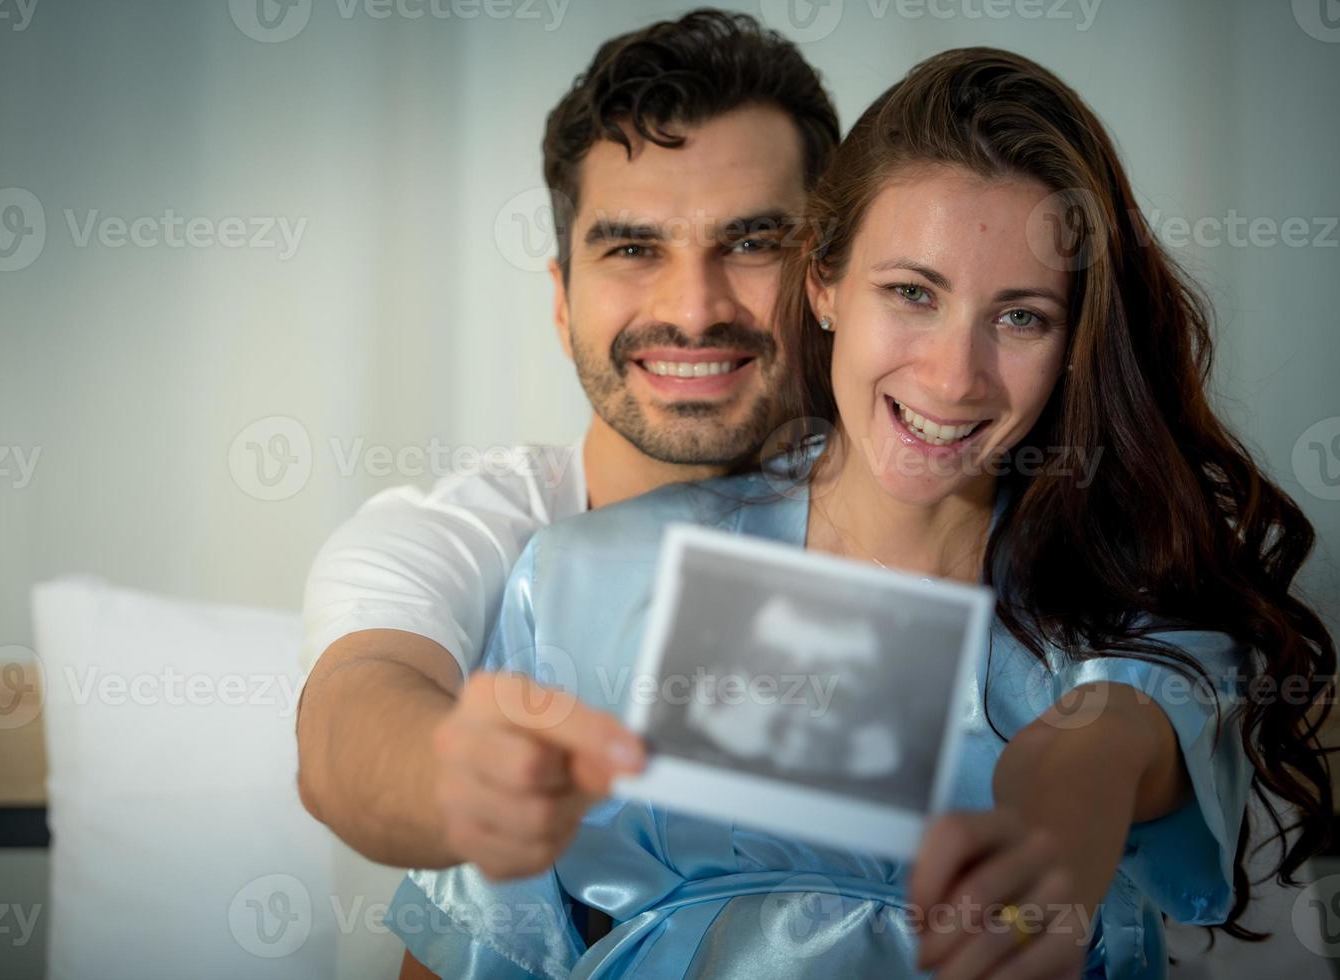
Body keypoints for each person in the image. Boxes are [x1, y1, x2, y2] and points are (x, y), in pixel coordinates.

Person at [386, 47, 1336, 980]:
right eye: (912, 293)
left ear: (1074, 339)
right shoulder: (591, 577)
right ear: (825, 283)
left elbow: (1128, 726)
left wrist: (1079, 778)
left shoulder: (1133, 618)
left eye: (1021, 318)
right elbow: (480, 943)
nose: (953, 378)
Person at [296, 0, 839, 905]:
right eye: (633, 247)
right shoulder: (473, 531)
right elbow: (351, 714)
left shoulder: (926, 510)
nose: (696, 308)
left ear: (826, 276)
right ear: (560, 300)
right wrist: (456, 781)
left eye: (751, 242)